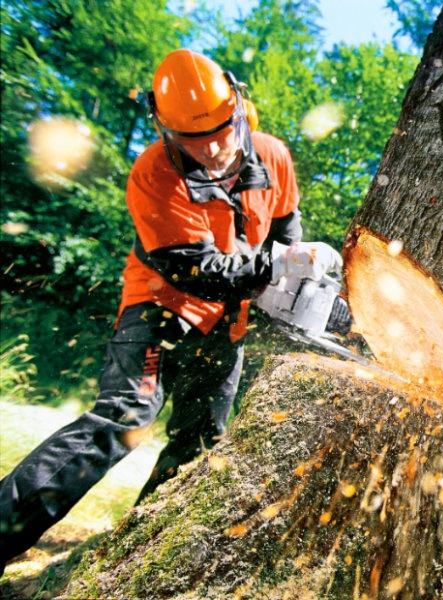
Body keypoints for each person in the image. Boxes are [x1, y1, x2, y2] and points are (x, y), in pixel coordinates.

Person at [0, 49, 342, 568]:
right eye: (195, 140)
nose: (215, 148)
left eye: (223, 130)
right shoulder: (153, 174)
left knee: (199, 444)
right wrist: (275, 265)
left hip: (229, 323)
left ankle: (131, 561)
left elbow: (284, 231)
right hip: (159, 309)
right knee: (124, 416)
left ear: (238, 107)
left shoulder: (273, 156)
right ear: (166, 128)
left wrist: (292, 272)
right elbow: (194, 270)